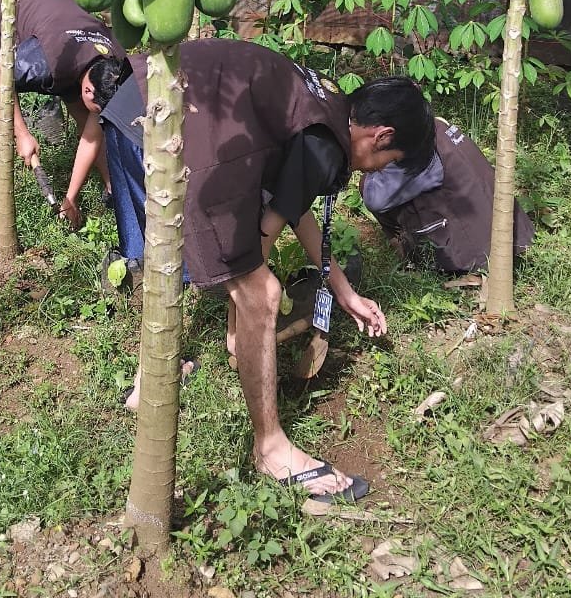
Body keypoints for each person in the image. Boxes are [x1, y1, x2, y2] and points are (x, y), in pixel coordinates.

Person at [86, 41, 435, 504]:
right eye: (387, 164)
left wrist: (343, 292)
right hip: (173, 133)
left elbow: (292, 208)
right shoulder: (326, 144)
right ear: (381, 136)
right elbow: (263, 238)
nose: (375, 173)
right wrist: (245, 314)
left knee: (181, 259)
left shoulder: (322, 104)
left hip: (135, 113)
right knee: (263, 294)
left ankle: (144, 385)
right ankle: (271, 449)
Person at [0, 0, 126, 237]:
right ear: (88, 90)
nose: (96, 113)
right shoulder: (41, 62)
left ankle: (113, 190)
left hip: (59, 31)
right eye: (95, 105)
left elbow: (92, 136)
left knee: (88, 119)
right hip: (5, 13)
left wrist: (69, 199)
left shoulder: (115, 65)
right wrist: (23, 134)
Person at [360, 118, 535, 273]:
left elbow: (375, 200)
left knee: (368, 184)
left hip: (474, 253)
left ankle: (412, 251)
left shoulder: (415, 149)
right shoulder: (435, 124)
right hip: (511, 231)